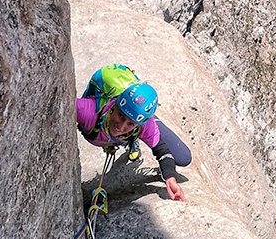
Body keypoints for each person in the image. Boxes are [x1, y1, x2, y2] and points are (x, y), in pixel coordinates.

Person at [76, 74, 190, 202]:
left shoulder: (143, 126)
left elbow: (162, 151)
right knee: (132, 125)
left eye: (130, 123)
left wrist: (170, 179)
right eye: (121, 116)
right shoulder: (87, 112)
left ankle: (147, 119)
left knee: (183, 157)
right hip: (127, 119)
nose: (121, 126)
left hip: (141, 123)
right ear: (114, 106)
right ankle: (137, 114)